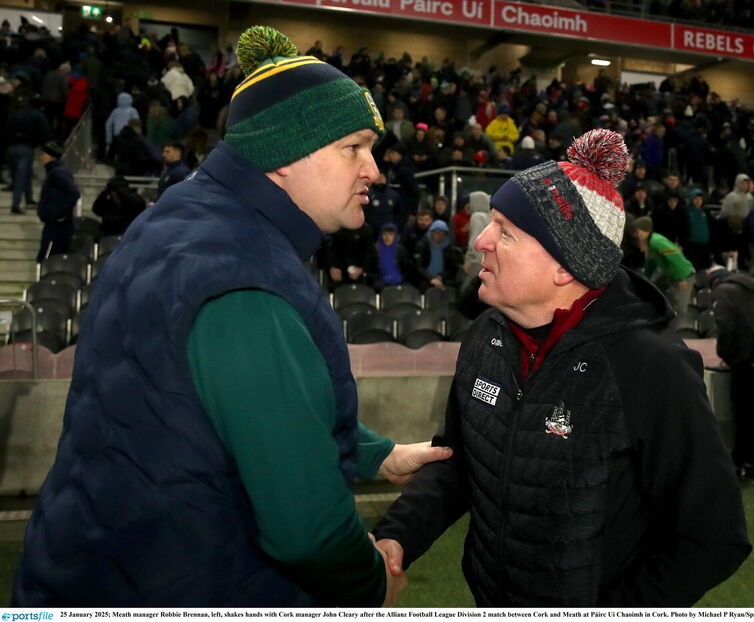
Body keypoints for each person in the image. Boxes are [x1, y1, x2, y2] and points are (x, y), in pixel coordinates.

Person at [13, 26, 451, 607]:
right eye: (354, 147)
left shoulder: (182, 223)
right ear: (284, 152)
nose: (373, 169)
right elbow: (308, 534)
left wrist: (375, 452)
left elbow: (227, 399)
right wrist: (372, 583)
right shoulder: (246, 278)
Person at [373, 129, 750, 607]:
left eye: (505, 231)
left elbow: (714, 536)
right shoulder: (486, 335)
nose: (482, 240)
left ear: (564, 267)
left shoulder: (653, 367)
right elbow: (460, 462)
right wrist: (396, 537)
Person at [708, 266, 754, 481]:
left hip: (746, 355)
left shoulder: (722, 291)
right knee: (753, 411)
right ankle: (750, 463)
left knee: (742, 410)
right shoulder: (747, 287)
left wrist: (725, 353)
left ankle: (740, 462)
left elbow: (726, 326)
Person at [633, 215, 696, 315]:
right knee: (669, 301)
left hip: (684, 276)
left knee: (680, 307)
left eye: (639, 230)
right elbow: (651, 263)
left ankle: (680, 327)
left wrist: (681, 278)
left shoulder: (656, 241)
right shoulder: (650, 243)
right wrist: (646, 278)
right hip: (673, 276)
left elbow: (676, 257)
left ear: (646, 230)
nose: (637, 234)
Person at [35, 141, 80, 263]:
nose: (41, 157)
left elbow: (74, 193)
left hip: (57, 227)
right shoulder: (55, 172)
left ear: (51, 156)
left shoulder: (58, 173)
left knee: (48, 259)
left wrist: (58, 214)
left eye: (44, 154)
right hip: (54, 225)